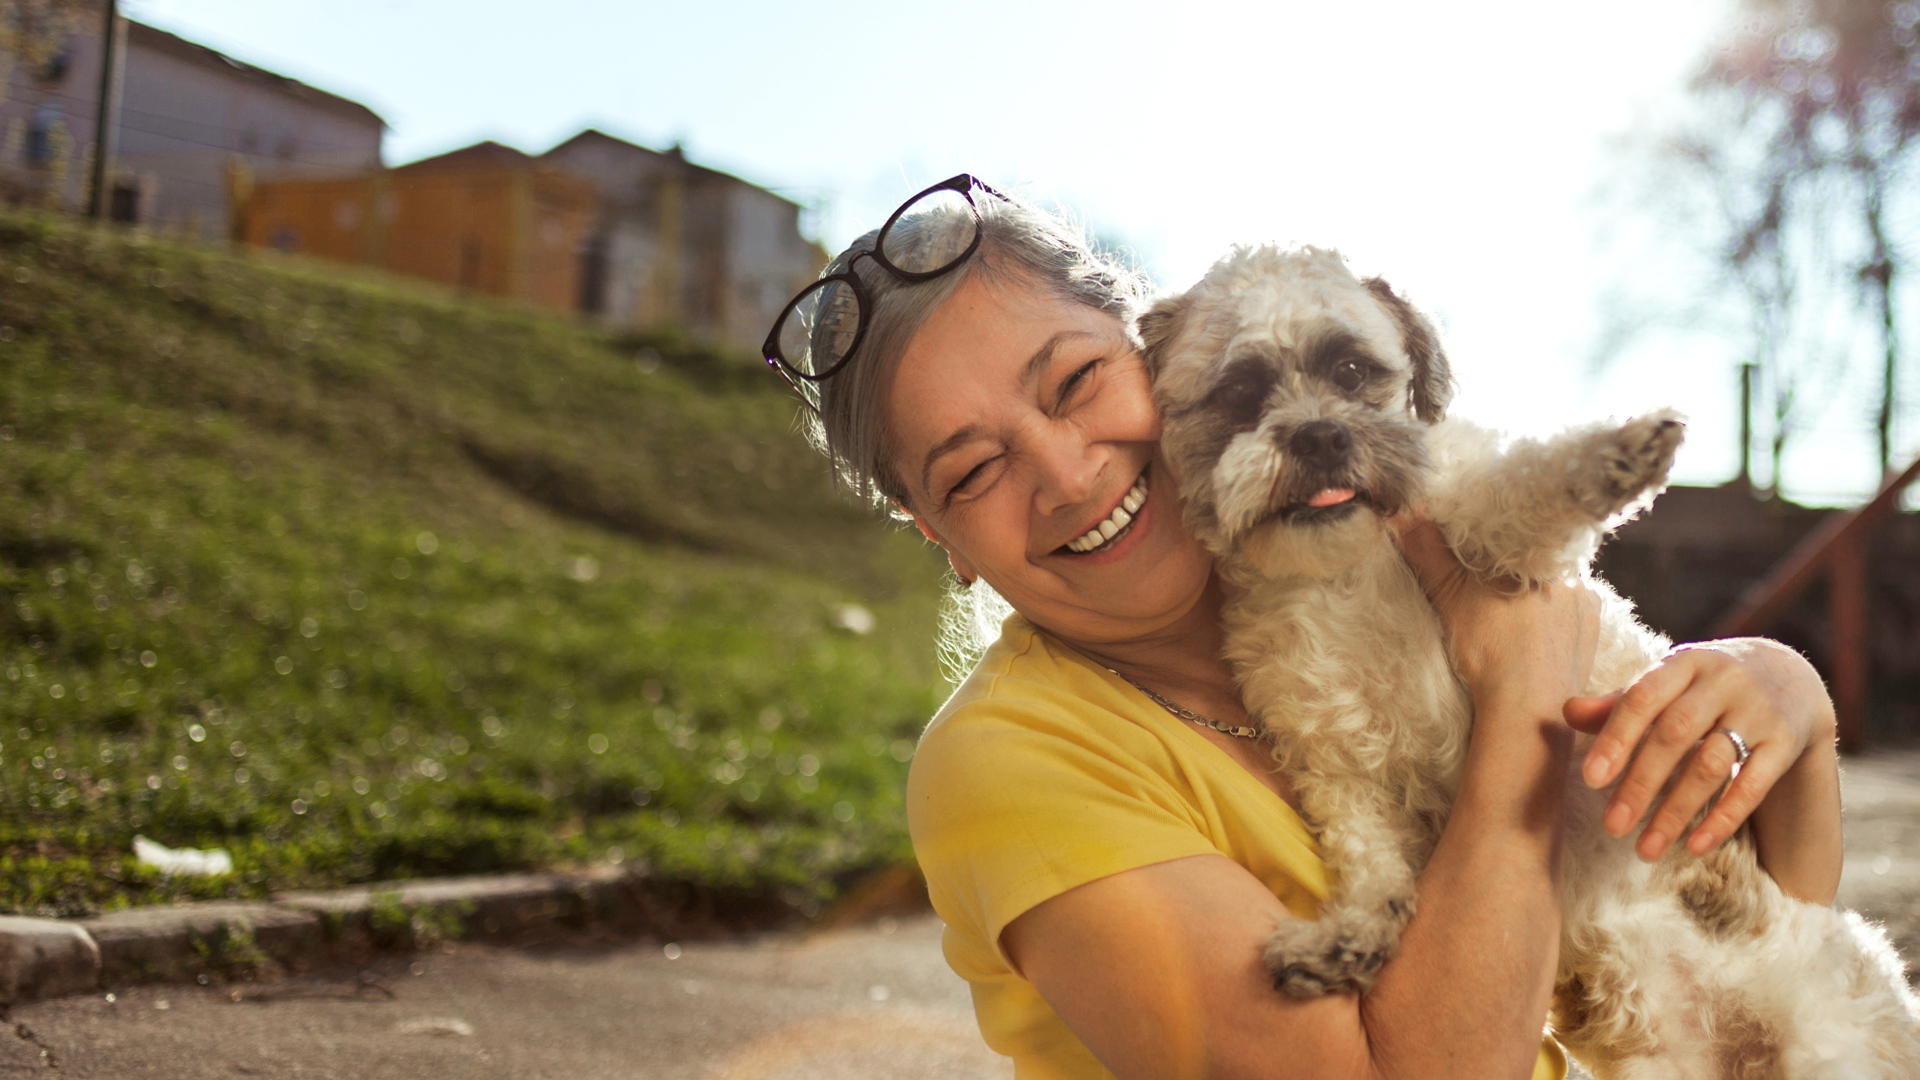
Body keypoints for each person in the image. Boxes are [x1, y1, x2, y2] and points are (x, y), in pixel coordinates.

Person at [763, 175, 1842, 1080]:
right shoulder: (1011, 766)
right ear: (938, 536)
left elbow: (1779, 937)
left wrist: (1792, 707)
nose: (1066, 473)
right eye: (974, 469)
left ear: (1164, 354)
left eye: (1079, 381)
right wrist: (1523, 699)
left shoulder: (1384, 567)